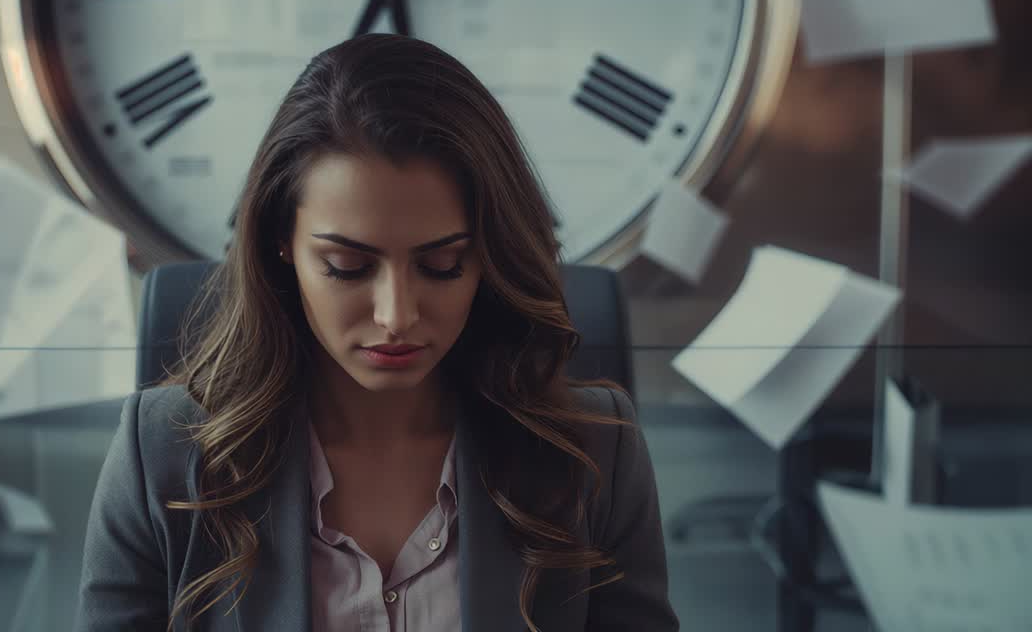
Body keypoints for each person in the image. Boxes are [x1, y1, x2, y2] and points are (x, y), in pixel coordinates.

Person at [76, 34, 679, 631]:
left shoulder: (598, 455)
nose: (396, 315)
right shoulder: (160, 454)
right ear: (281, 242)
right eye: (348, 268)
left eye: (443, 266)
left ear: (489, 256)